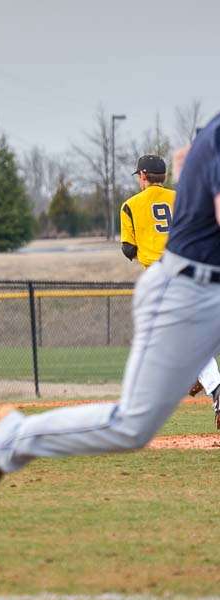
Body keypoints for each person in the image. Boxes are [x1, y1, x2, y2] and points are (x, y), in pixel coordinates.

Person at [0, 112, 220, 506]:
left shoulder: (151, 190)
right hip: (186, 287)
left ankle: (213, 384)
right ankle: (12, 437)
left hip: (188, 273)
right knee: (133, 426)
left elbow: (185, 158)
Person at [120, 154, 220, 428]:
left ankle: (212, 385)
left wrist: (148, 247)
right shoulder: (182, 198)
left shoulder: (130, 205)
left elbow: (128, 249)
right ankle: (197, 377)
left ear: (142, 176)